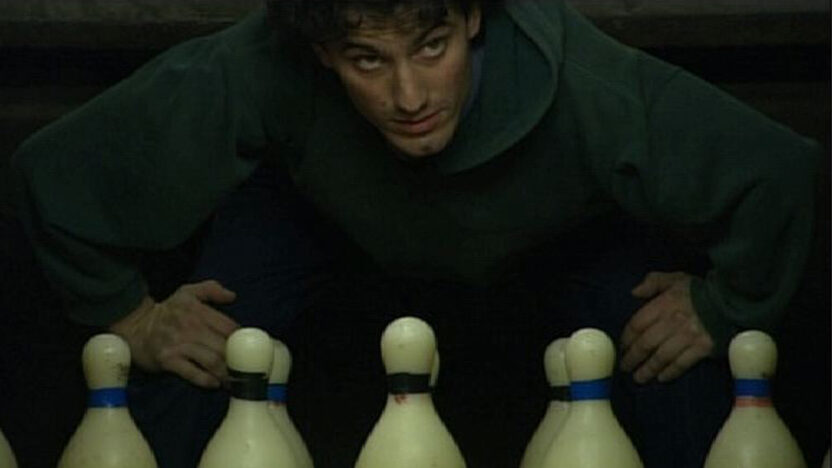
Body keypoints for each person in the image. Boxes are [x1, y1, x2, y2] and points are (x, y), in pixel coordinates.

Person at [10, 0, 821, 467]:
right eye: (368, 61)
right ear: (323, 53)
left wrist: (723, 306)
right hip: (317, 222)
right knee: (201, 350)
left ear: (470, 17)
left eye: (431, 48)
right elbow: (53, 170)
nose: (409, 97)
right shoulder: (258, 62)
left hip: (564, 238)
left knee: (674, 364)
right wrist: (130, 315)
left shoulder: (589, 85)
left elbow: (784, 172)